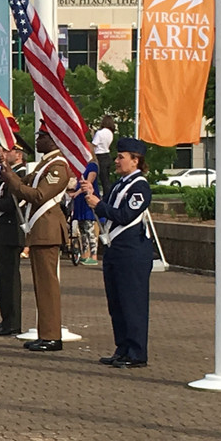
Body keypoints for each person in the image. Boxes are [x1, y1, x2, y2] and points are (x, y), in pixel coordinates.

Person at [83, 137, 154, 369]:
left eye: (121, 157)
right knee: (117, 304)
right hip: (115, 251)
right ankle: (122, 347)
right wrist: (93, 197)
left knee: (132, 303)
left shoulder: (140, 187)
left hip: (132, 252)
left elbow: (125, 215)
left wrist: (99, 205)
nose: (117, 160)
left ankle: (136, 352)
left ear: (135, 161)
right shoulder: (118, 185)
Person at [2, 128, 71, 352]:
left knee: (48, 286)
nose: (37, 140)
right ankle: (45, 333)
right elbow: (23, 185)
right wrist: (7, 169)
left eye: (42, 136)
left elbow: (39, 195)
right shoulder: (44, 165)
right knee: (42, 286)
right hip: (40, 230)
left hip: (48, 229)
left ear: (54, 140)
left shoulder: (58, 167)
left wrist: (12, 177)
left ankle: (52, 335)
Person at [0, 143, 27, 336]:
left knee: (10, 279)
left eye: (7, 150)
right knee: (2, 279)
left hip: (13, 230)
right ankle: (6, 319)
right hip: (2, 231)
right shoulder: (5, 174)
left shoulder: (21, 174)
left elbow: (12, 202)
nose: (2, 154)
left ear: (18, 154)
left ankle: (13, 322)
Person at [69, 159, 101, 265]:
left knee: (89, 229)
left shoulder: (92, 166)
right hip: (80, 203)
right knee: (82, 230)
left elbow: (88, 183)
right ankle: (85, 254)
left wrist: (76, 193)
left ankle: (94, 255)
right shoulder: (80, 166)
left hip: (87, 200)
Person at [92, 115, 115, 193]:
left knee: (97, 178)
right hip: (107, 154)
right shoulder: (110, 133)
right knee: (106, 179)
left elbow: (94, 144)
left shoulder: (100, 133)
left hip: (99, 156)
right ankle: (108, 195)